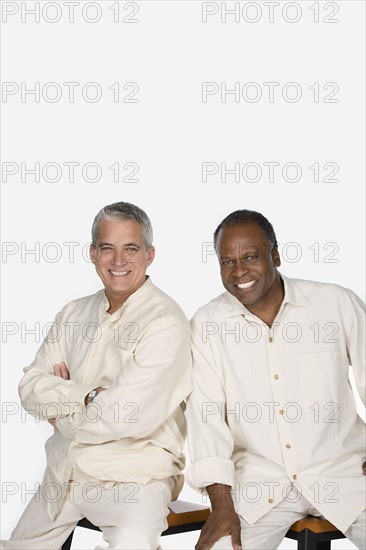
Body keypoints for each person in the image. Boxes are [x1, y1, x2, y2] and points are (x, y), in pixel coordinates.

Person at [1, 201, 192, 550]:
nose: (119, 261)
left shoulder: (165, 323)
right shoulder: (73, 313)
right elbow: (29, 387)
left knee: (132, 544)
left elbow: (127, 416)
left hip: (135, 479)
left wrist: (60, 411)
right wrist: (87, 397)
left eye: (130, 249)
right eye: (108, 248)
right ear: (92, 253)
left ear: (150, 255)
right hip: (65, 475)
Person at [187, 209, 365, 550]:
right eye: (227, 261)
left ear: (276, 255)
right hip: (259, 487)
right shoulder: (207, 326)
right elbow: (206, 420)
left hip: (344, 475)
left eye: (250, 256)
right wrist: (222, 506)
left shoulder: (335, 304)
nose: (239, 271)